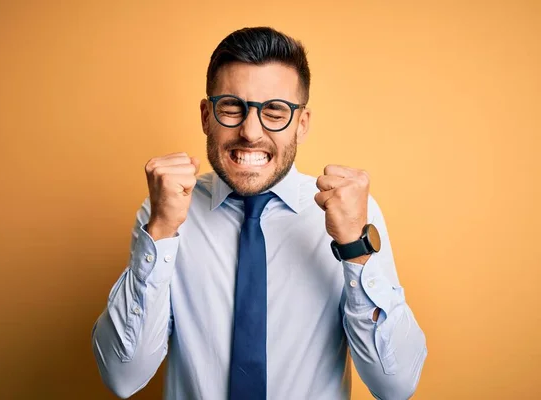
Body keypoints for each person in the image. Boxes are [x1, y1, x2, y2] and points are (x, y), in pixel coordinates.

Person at [91, 26, 427, 400]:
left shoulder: (351, 216)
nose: (251, 132)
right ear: (206, 116)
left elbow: (395, 386)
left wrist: (355, 247)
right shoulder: (166, 213)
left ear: (302, 124)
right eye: (232, 107)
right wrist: (161, 229)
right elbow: (123, 377)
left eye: (274, 111)